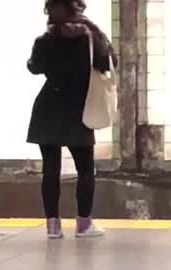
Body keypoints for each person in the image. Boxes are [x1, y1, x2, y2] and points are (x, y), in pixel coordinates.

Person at [26, 0, 117, 239]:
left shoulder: (44, 41)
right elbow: (109, 62)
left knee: (51, 169)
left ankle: (53, 227)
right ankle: (83, 224)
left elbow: (34, 67)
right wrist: (95, 29)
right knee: (85, 168)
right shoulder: (88, 40)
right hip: (79, 109)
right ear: (76, 11)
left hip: (48, 108)